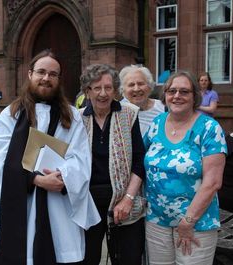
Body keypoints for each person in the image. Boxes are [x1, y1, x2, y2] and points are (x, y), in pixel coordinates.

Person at [0, 50, 100, 265]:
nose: (46, 78)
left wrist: (61, 177)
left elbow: (80, 158)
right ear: (30, 74)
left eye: (52, 74)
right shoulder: (11, 114)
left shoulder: (72, 115)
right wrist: (36, 179)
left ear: (59, 79)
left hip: (59, 206)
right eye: (41, 72)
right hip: (22, 204)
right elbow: (1, 160)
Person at [143, 71, 227, 265]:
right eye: (172, 91)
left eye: (184, 91)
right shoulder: (157, 123)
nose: (177, 96)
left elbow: (213, 182)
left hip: (196, 224)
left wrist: (188, 222)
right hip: (156, 221)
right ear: (164, 95)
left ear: (194, 96)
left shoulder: (209, 128)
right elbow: (141, 160)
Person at [79, 64, 146, 265]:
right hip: (87, 203)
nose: (103, 93)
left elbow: (139, 159)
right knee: (86, 259)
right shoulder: (77, 118)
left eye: (108, 87)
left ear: (115, 90)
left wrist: (128, 198)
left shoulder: (129, 113)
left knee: (128, 258)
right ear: (87, 91)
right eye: (96, 88)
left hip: (123, 202)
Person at [119, 64, 165, 136]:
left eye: (140, 84)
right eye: (131, 85)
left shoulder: (163, 107)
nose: (136, 89)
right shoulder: (118, 111)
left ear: (150, 86)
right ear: (123, 89)